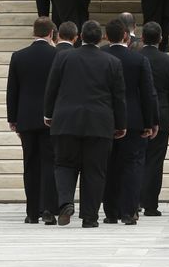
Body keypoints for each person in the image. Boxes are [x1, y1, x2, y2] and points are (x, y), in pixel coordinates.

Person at [44, 20, 127, 228]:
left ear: (80, 36)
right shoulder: (112, 62)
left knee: (63, 164)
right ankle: (90, 217)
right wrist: (121, 123)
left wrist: (48, 113)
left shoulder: (63, 57)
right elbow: (119, 97)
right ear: (101, 38)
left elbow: (51, 88)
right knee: (95, 170)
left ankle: (65, 203)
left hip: (66, 120)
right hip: (99, 123)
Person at [100, 18, 157, 225]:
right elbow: (148, 93)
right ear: (126, 36)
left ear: (106, 35)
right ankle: (129, 211)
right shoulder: (139, 60)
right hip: (134, 120)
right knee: (132, 166)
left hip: (105, 120)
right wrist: (150, 123)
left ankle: (110, 211)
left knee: (108, 166)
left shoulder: (100, 57)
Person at [6, 18, 60, 225]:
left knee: (30, 164)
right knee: (50, 163)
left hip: (26, 118)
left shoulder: (19, 56)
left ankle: (31, 212)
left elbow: (13, 90)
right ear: (52, 33)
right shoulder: (57, 55)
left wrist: (13, 118)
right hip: (51, 118)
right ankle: (48, 208)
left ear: (34, 33)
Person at [139, 22, 169, 217]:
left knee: (135, 159)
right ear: (161, 38)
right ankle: (150, 204)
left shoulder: (135, 58)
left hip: (138, 115)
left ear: (142, 38)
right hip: (161, 115)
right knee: (155, 162)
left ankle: (134, 199)